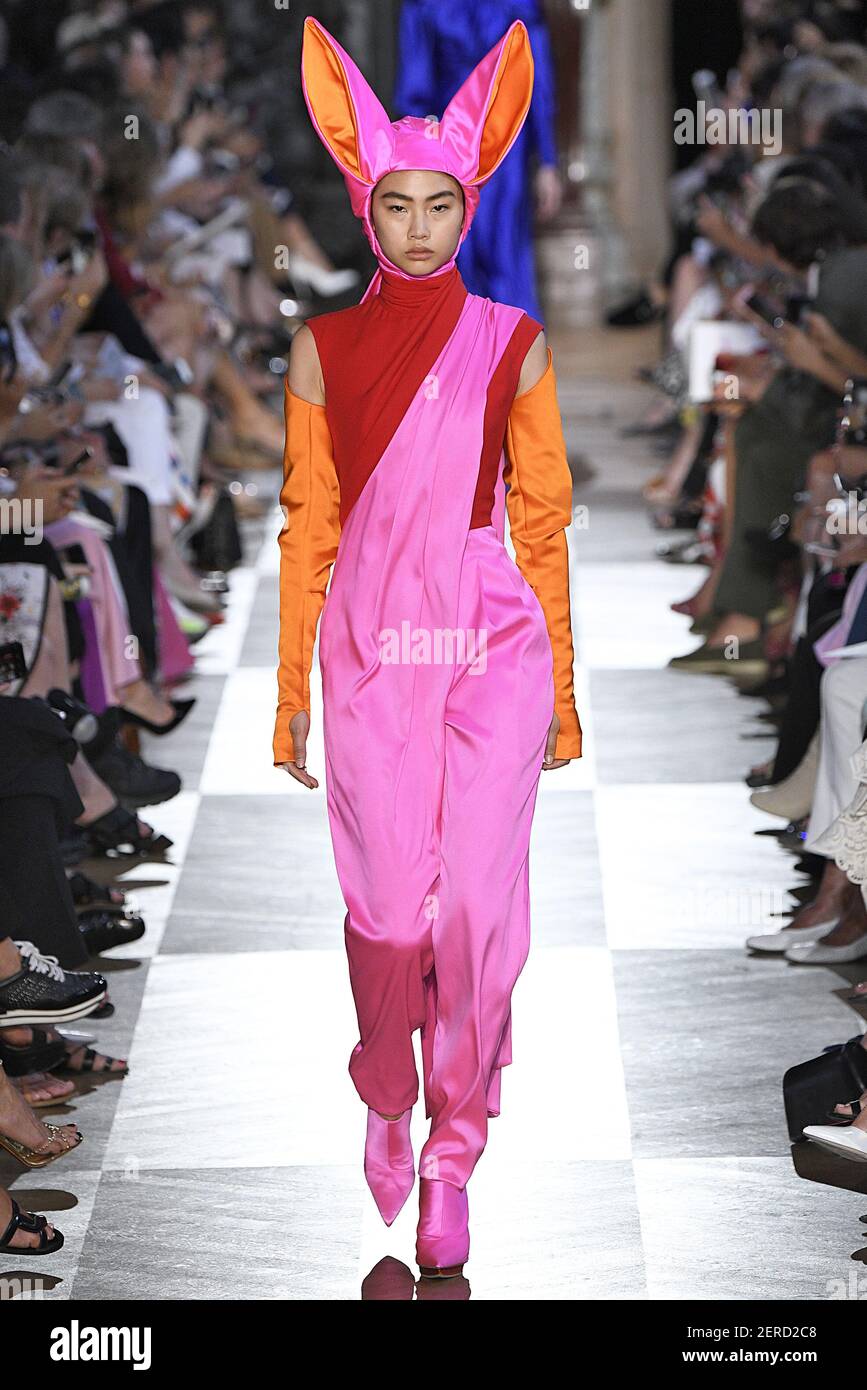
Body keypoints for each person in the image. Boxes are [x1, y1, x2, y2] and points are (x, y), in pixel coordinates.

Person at [273, 15, 582, 1279]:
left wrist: (559, 689)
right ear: (365, 205)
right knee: (391, 914)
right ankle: (383, 1086)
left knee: (482, 922)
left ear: (470, 206)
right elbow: (309, 527)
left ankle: (452, 1155)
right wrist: (290, 688)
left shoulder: (515, 339)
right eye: (393, 203)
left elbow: (544, 519)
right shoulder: (320, 349)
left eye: (437, 203)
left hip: (487, 639)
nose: (416, 226)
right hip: (369, 650)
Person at [393, 0, 562, 321]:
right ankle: (463, 350)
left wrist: (548, 161)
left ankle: (512, 351)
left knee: (502, 243)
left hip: (503, 141)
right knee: (456, 243)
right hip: (449, 139)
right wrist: (417, 150)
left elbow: (537, 80)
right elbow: (414, 81)